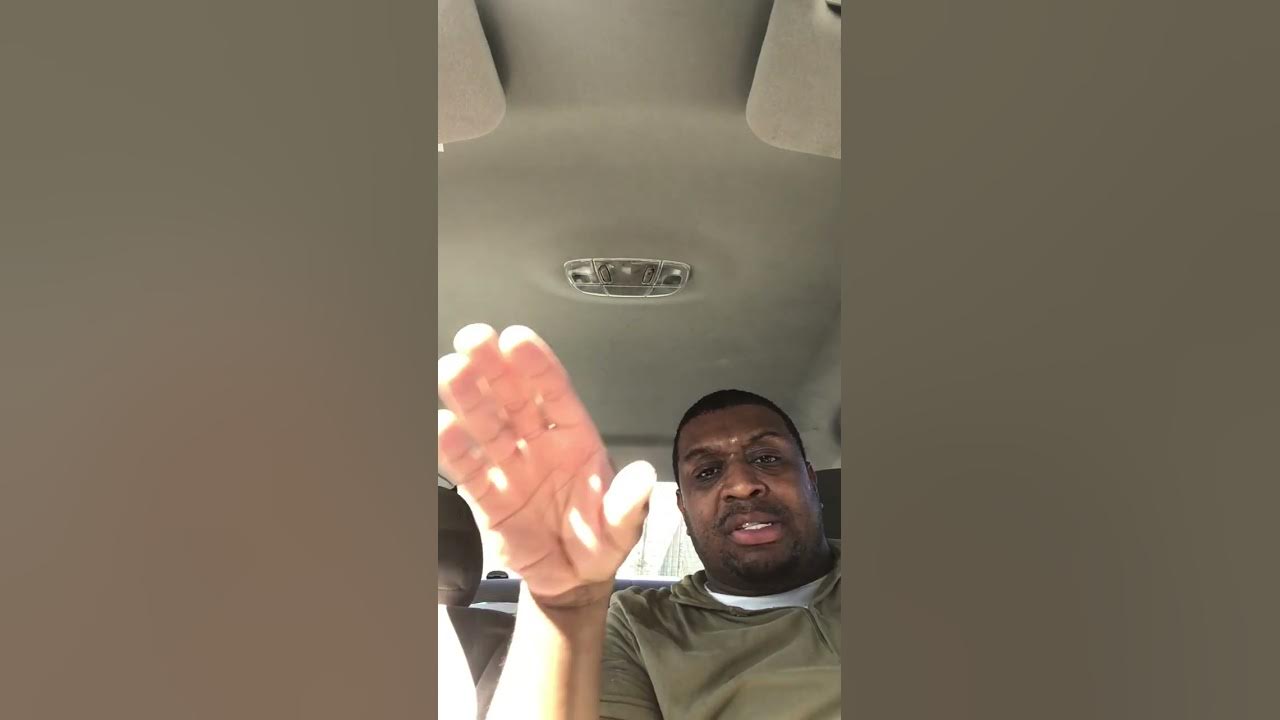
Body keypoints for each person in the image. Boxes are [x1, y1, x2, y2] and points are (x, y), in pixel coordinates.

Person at [438, 324, 840, 720]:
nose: (740, 485)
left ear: (810, 479)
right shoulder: (639, 627)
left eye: (767, 458)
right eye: (707, 472)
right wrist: (562, 608)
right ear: (683, 509)